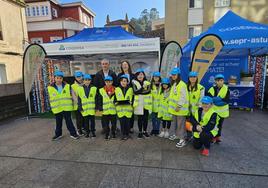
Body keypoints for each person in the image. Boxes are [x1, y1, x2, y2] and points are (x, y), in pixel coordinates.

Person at [47, 70, 79, 141]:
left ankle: (73, 134)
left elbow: (73, 95)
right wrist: (51, 107)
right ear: (54, 78)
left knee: (69, 121)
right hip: (57, 108)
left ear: (62, 78)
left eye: (60, 78)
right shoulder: (50, 87)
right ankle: (58, 134)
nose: (59, 79)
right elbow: (50, 98)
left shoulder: (67, 86)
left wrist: (77, 102)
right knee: (58, 122)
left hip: (66, 108)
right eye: (57, 78)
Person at [94, 59, 117, 133]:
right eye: (103, 64)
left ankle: (114, 128)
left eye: (106, 63)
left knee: (113, 116)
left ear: (109, 65)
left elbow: (116, 84)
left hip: (112, 95)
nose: (104, 65)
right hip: (102, 96)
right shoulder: (98, 74)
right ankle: (105, 128)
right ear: (101, 65)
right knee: (104, 116)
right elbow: (96, 86)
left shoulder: (113, 73)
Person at [168, 67, 189, 148]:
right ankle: (177, 135)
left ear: (178, 75)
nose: (173, 76)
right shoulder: (175, 84)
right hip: (175, 109)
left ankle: (182, 139)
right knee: (176, 124)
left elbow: (183, 97)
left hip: (180, 109)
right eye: (172, 75)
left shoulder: (182, 84)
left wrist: (179, 106)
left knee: (181, 125)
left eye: (175, 75)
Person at [207, 74, 230, 143]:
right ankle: (213, 137)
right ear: (215, 81)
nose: (219, 82)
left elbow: (226, 101)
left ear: (223, 81)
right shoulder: (211, 89)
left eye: (221, 80)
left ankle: (217, 137)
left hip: (222, 112)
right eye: (218, 80)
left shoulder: (226, 89)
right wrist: (220, 99)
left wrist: (216, 100)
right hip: (213, 111)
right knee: (213, 124)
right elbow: (209, 99)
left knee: (220, 125)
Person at [132, 69, 152, 139]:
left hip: (146, 104)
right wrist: (143, 88)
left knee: (145, 118)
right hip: (138, 104)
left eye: (141, 74)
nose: (140, 76)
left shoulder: (147, 82)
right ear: (136, 75)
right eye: (138, 74)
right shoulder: (134, 82)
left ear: (144, 75)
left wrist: (139, 91)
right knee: (140, 119)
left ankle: (145, 131)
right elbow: (135, 92)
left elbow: (148, 91)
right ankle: (140, 132)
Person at [117, 60, 136, 133]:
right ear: (121, 66)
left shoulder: (133, 75)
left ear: (128, 66)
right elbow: (117, 85)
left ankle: (130, 127)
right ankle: (124, 128)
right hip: (122, 96)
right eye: (123, 65)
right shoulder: (119, 75)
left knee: (130, 112)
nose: (124, 66)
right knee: (123, 113)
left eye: (126, 64)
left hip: (131, 96)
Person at [186, 71, 205, 141]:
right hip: (188, 110)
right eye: (191, 77)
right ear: (189, 78)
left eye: (194, 77)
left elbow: (201, 99)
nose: (193, 78)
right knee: (187, 123)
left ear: (197, 78)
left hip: (197, 110)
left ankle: (196, 137)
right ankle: (188, 136)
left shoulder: (201, 88)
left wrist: (198, 107)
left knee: (196, 124)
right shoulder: (186, 87)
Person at [77, 74, 97, 138]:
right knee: (86, 122)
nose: (87, 81)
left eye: (88, 80)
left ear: (90, 80)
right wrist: (80, 107)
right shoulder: (80, 89)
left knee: (92, 121)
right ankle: (87, 132)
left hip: (92, 109)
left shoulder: (94, 88)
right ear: (84, 80)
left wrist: (96, 107)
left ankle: (93, 131)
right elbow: (79, 99)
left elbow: (96, 98)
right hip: (84, 109)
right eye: (86, 80)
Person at [114, 75, 134, 140]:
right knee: (122, 123)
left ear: (127, 82)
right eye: (122, 81)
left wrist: (132, 102)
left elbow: (133, 98)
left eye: (125, 81)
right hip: (120, 110)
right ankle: (123, 134)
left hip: (128, 110)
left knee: (128, 123)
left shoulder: (131, 89)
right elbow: (114, 98)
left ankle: (127, 134)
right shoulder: (117, 89)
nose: (123, 82)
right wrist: (115, 102)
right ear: (120, 82)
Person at [98, 76, 117, 140]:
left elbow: (117, 99)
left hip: (113, 111)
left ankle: (113, 133)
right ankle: (107, 134)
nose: (108, 83)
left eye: (109, 81)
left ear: (112, 82)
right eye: (106, 81)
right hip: (105, 111)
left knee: (114, 124)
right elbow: (99, 100)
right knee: (106, 124)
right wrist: (100, 107)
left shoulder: (116, 90)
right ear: (104, 82)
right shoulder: (101, 90)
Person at [71, 71, 84, 136]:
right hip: (77, 106)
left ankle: (84, 128)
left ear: (82, 76)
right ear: (75, 77)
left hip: (85, 105)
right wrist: (80, 103)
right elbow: (74, 96)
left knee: (84, 118)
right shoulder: (73, 86)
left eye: (80, 76)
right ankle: (79, 130)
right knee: (79, 119)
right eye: (77, 77)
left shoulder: (85, 84)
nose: (79, 78)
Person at [150, 71, 161, 136]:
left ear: (159, 77)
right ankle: (154, 129)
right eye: (155, 77)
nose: (156, 78)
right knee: (153, 119)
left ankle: (157, 130)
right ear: (153, 77)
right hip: (153, 105)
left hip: (160, 105)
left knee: (158, 119)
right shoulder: (151, 85)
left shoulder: (162, 85)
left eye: (157, 77)